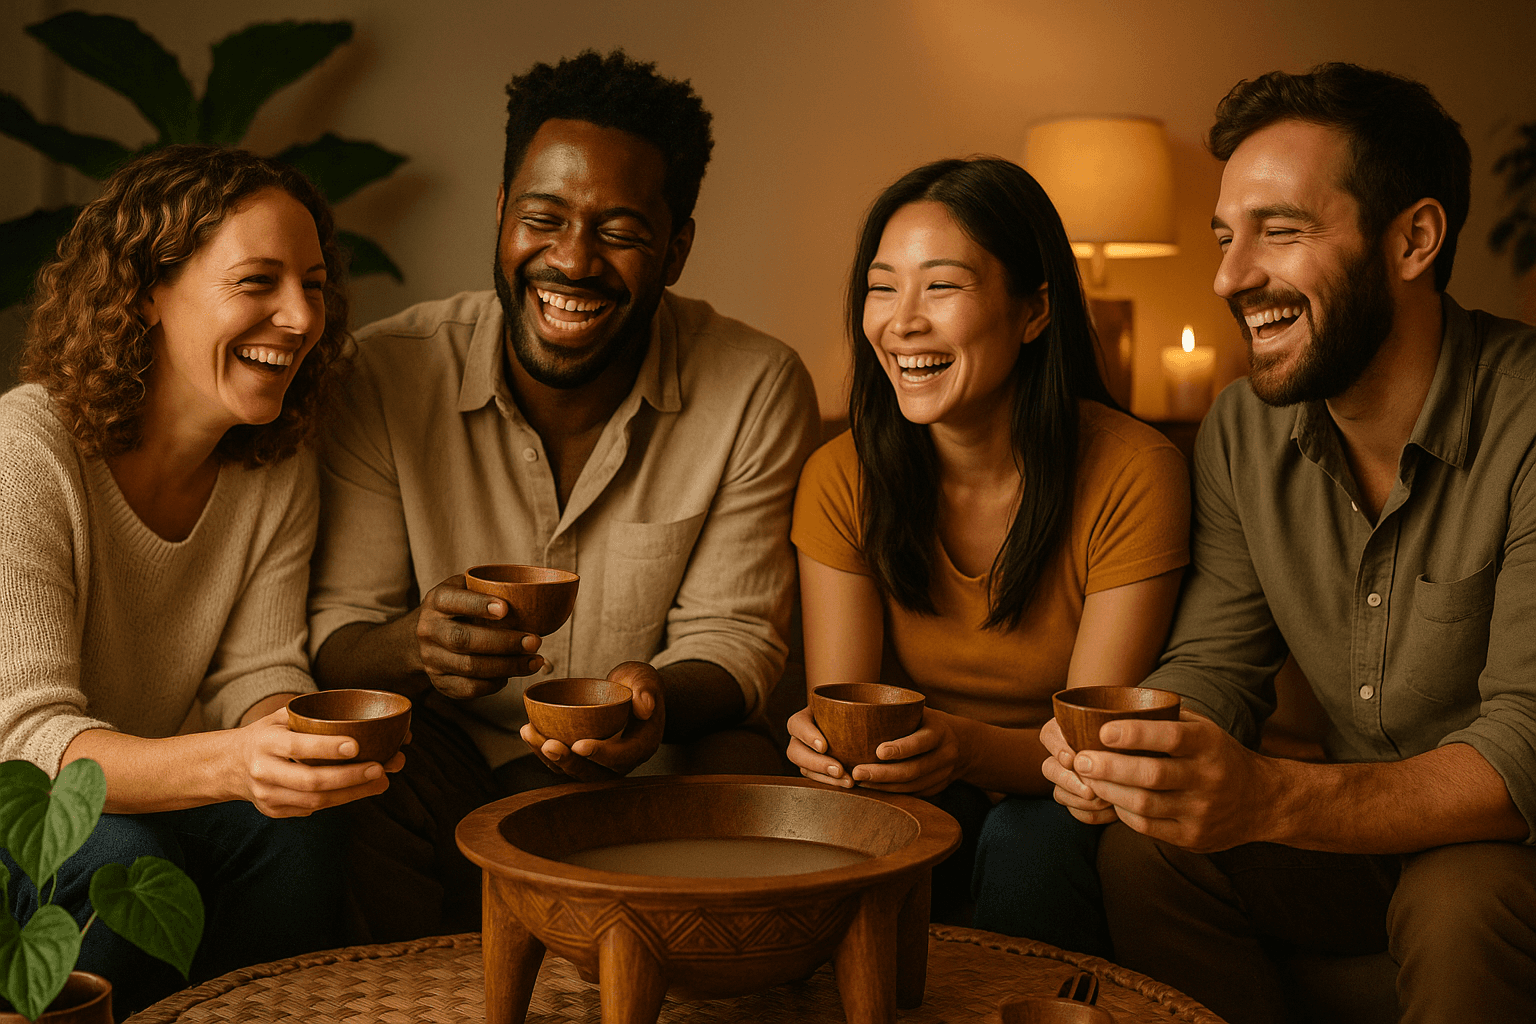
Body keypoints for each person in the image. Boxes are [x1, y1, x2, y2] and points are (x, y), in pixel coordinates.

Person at [1041, 63, 1536, 1024]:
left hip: (1507, 846)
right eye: (1226, 236)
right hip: (1358, 841)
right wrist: (1137, 751)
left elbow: (1525, 749)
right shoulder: (1241, 431)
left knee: (1459, 901)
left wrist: (1270, 796)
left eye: (1280, 230)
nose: (1230, 277)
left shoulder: (1526, 418)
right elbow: (1215, 666)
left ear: (1414, 240)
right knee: (1147, 851)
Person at [308, 49, 820, 942]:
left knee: (749, 771)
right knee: (353, 767)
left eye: (619, 231)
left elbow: (737, 638)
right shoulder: (387, 374)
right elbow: (339, 636)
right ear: (501, 214)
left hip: (652, 764)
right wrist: (417, 642)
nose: (573, 260)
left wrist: (649, 700)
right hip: (449, 757)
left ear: (676, 248)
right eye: (542, 219)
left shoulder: (754, 385)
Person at [0, 145, 397, 1017]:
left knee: (299, 833)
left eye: (314, 285)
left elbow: (257, 668)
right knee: (115, 857)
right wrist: (235, 762)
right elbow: (28, 738)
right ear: (146, 290)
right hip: (21, 806)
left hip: (148, 792)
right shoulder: (26, 448)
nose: (302, 318)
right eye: (258, 282)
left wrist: (296, 745)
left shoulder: (273, 464)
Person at [785, 157, 1190, 955]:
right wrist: (828, 750)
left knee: (1025, 846)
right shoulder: (840, 476)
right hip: (926, 777)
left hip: (1069, 794)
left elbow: (1089, 749)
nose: (902, 322)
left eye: (941, 286)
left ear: (1034, 311)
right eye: (882, 287)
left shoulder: (1134, 470)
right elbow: (845, 709)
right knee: (875, 837)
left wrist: (963, 748)